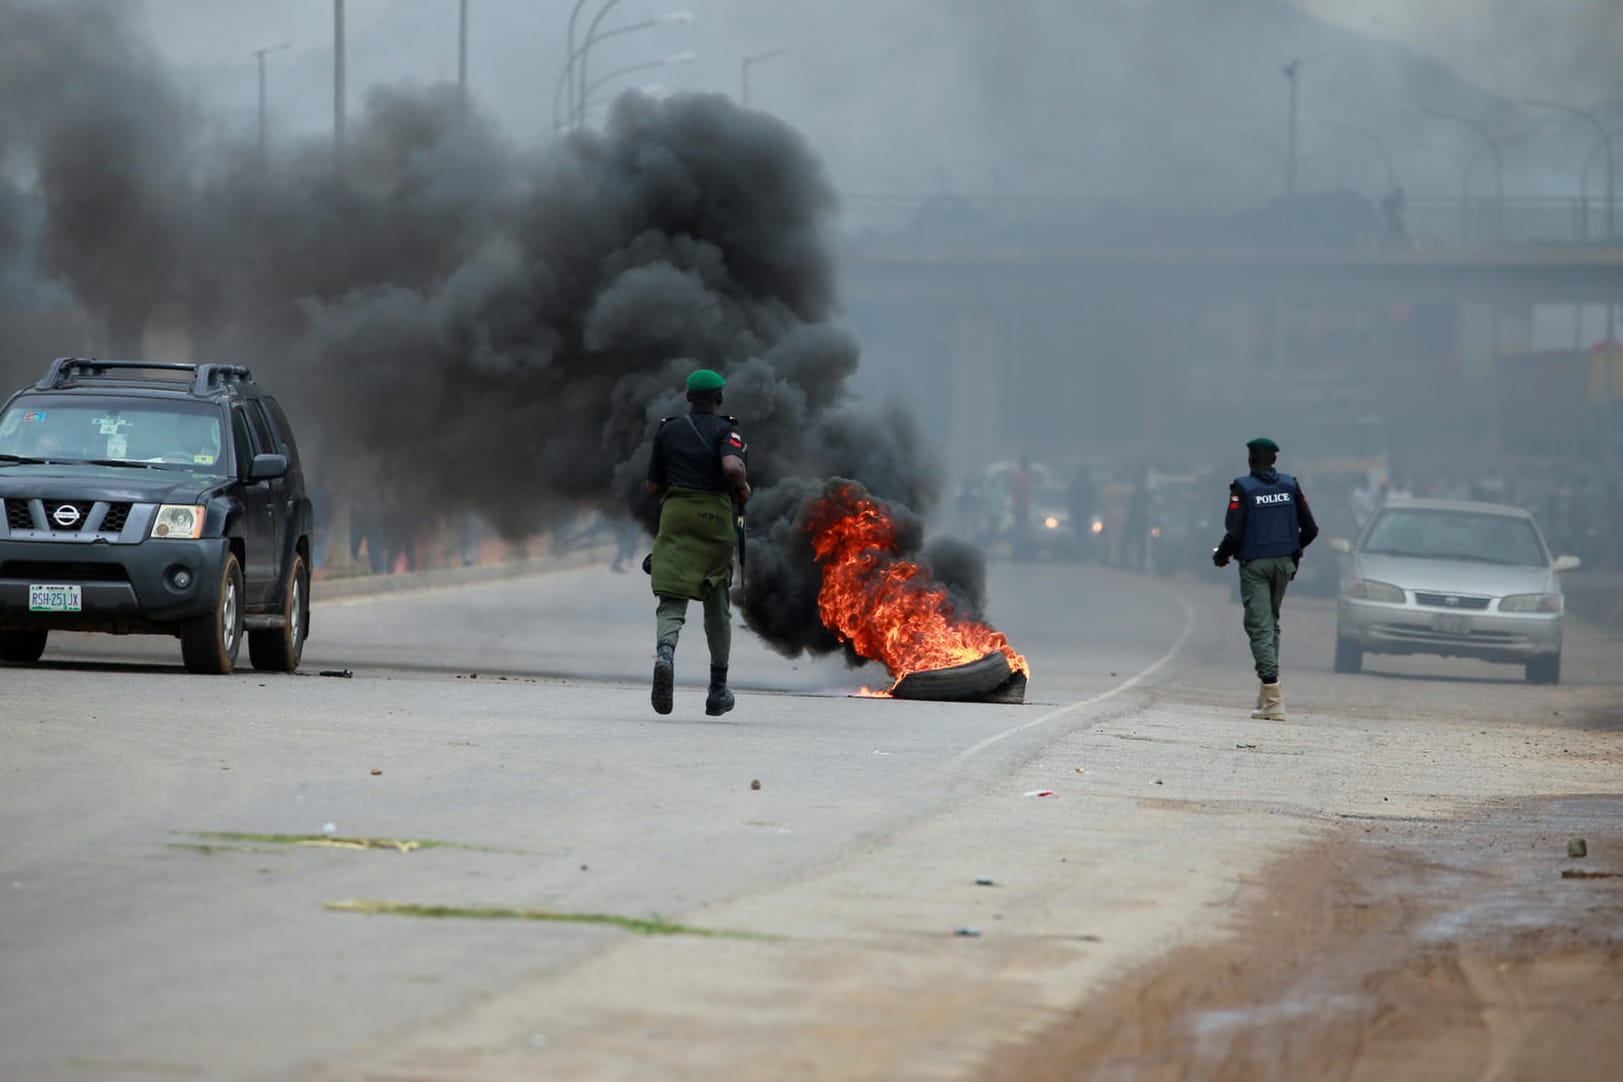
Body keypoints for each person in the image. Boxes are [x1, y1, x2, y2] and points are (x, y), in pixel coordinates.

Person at [645, 368, 751, 717]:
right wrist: (741, 488)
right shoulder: (726, 430)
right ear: (719, 398)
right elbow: (732, 466)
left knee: (671, 597)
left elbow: (653, 487)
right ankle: (717, 690)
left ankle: (665, 654)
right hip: (714, 519)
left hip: (676, 515)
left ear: (689, 398)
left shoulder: (668, 429)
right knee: (717, 603)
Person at [1212, 437, 1319, 721]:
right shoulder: (1290, 485)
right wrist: (1291, 549)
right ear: (1274, 460)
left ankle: (1273, 699)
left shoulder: (1243, 489)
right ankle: (1265, 697)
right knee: (1271, 623)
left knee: (1259, 626)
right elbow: (1311, 529)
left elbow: (1234, 533)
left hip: (1256, 566)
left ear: (1251, 459)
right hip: (1284, 564)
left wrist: (1220, 556)